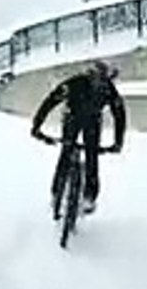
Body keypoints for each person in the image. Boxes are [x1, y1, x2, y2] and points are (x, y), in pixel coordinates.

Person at [30, 60, 127, 215]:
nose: (98, 83)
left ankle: (72, 195)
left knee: (82, 154)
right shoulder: (83, 84)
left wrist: (37, 127)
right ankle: (69, 195)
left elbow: (119, 114)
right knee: (82, 154)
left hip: (83, 120)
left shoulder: (92, 85)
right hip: (77, 119)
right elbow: (51, 101)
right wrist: (117, 143)